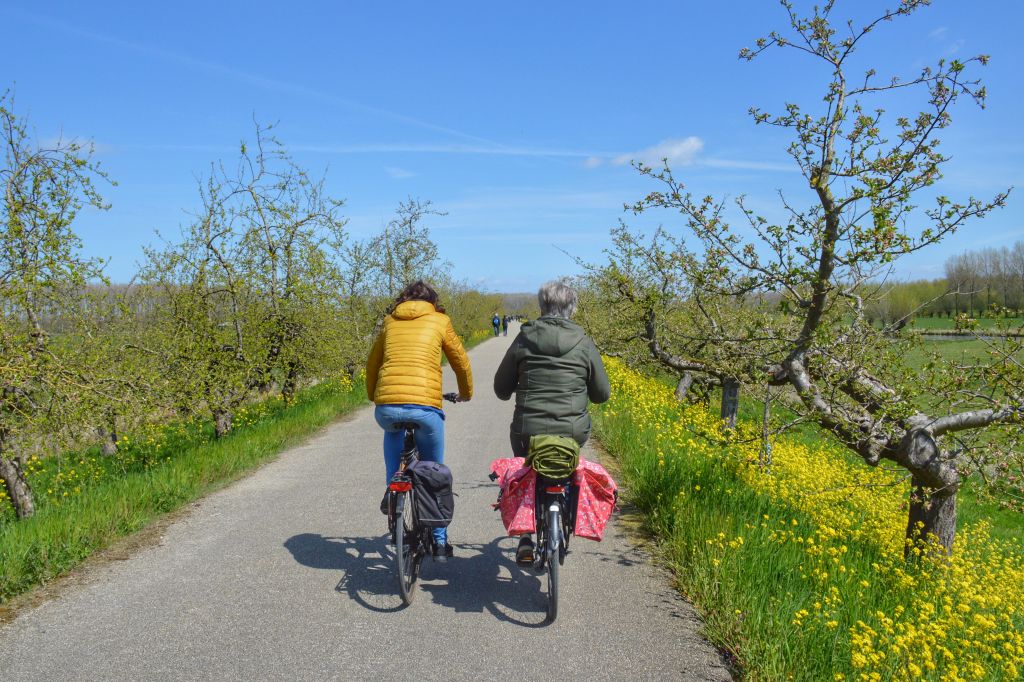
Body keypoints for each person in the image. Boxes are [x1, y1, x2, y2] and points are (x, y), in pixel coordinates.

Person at [493, 280, 610, 565]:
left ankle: (525, 538)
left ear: (542, 306)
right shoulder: (583, 341)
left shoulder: (524, 338)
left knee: (526, 470)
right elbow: (601, 394)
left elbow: (501, 389)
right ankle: (567, 511)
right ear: (572, 307)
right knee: (566, 462)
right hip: (572, 431)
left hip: (527, 432)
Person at [366, 280, 473, 560]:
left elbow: (372, 363)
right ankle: (440, 542)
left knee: (393, 433)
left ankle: (393, 488)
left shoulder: (390, 321)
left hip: (387, 407)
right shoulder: (439, 321)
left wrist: (374, 395)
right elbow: (460, 361)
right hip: (425, 409)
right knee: (434, 472)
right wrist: (465, 394)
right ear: (432, 302)